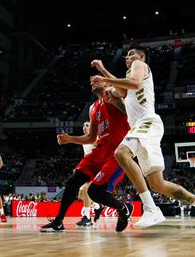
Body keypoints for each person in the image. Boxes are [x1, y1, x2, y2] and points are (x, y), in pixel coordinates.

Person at [91, 48, 195, 234]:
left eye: (130, 54)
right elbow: (122, 90)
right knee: (157, 184)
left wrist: (106, 79)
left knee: (121, 153)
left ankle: (150, 208)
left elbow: (134, 83)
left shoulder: (140, 65)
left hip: (147, 123)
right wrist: (104, 71)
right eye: (126, 55)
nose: (127, 57)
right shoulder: (127, 82)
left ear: (141, 56)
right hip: (144, 128)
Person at [40, 82, 133, 233]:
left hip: (117, 151)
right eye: (91, 80)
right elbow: (91, 137)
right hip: (100, 151)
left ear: (107, 83)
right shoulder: (93, 108)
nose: (92, 81)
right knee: (72, 182)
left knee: (95, 193)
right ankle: (58, 222)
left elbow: (129, 110)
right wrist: (70, 139)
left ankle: (123, 208)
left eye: (97, 79)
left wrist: (113, 94)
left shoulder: (115, 96)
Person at [76, 122, 97, 227]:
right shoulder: (84, 141)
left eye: (87, 125)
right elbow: (86, 155)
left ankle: (87, 217)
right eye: (83, 125)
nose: (84, 127)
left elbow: (104, 151)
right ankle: (97, 206)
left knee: (85, 190)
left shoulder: (95, 138)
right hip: (88, 167)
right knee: (80, 194)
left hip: (96, 168)